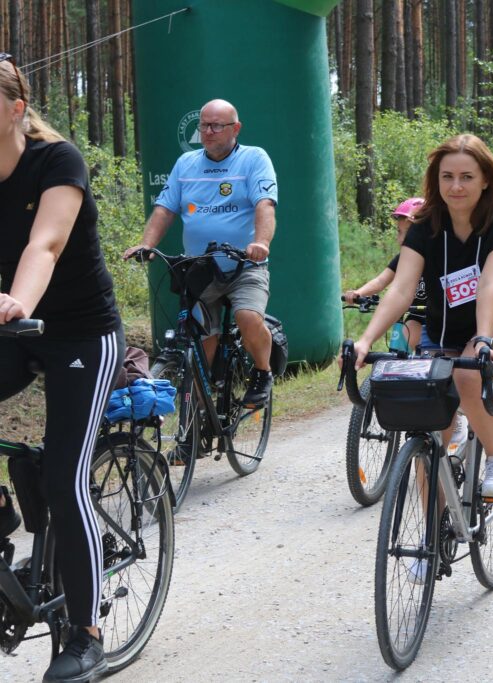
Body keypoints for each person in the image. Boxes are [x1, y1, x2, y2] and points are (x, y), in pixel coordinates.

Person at [0, 53, 125, 682]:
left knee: (65, 478)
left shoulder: (57, 161)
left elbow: (44, 244)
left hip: (81, 332)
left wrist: (18, 301)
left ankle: (86, 632)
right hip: (13, 330)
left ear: (16, 109)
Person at [348, 133, 493, 498]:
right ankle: (434, 531)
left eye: (466, 177)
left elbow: (489, 285)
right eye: (447, 176)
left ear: (485, 180)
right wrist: (365, 340)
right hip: (443, 332)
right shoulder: (424, 227)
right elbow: (401, 289)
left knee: (468, 377)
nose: (456, 186)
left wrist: (483, 340)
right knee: (428, 430)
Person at [124, 99, 278, 407]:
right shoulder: (186, 164)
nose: (208, 131)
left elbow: (265, 205)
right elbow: (165, 209)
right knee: (200, 339)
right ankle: (198, 415)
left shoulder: (253, 158)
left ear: (235, 128)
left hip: (244, 267)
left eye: (216, 126)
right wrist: (147, 244)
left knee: (247, 317)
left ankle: (263, 372)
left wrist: (261, 243)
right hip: (200, 268)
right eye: (204, 125)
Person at [343, 197, 427, 350]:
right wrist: (358, 293)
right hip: (415, 316)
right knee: (405, 338)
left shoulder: (440, 257)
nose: (401, 239)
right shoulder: (404, 258)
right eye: (399, 232)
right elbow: (381, 281)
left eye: (408, 233)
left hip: (439, 318)